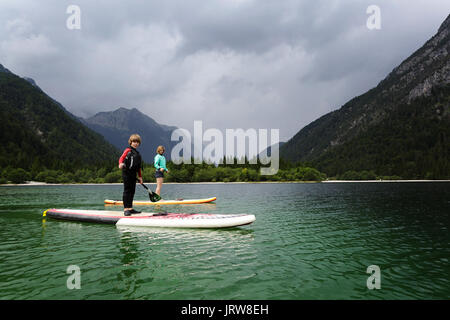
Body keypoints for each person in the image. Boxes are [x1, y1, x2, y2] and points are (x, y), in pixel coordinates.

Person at [119, 134, 143, 216]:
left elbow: (138, 167)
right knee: (127, 191)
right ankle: (126, 209)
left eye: (137, 142)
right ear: (130, 142)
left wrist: (140, 177)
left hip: (133, 175)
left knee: (132, 191)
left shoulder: (138, 154)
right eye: (134, 142)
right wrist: (120, 164)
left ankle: (130, 208)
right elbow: (122, 157)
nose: (135, 143)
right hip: (126, 173)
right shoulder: (128, 150)